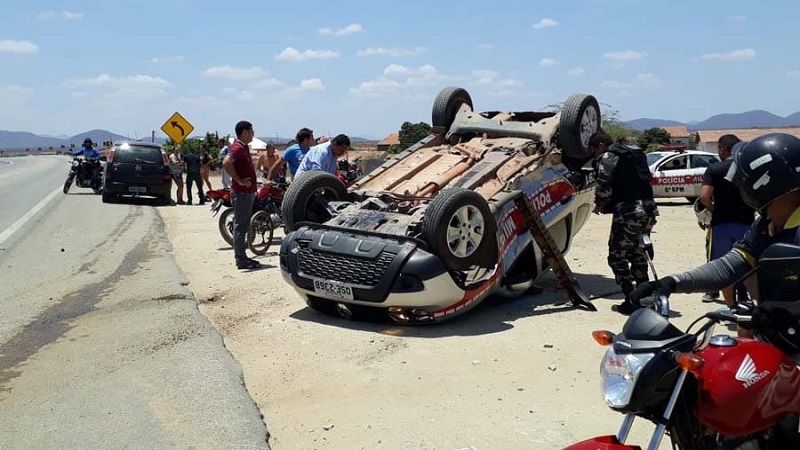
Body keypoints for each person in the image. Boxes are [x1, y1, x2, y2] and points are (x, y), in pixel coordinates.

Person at [631, 133, 800, 313]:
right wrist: (672, 283)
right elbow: (728, 268)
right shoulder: (765, 226)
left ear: (763, 183)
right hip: (777, 334)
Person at [590, 129, 660, 315]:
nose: (596, 155)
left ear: (600, 145)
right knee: (638, 254)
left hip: (629, 212)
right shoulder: (635, 152)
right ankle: (645, 299)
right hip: (648, 209)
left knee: (616, 257)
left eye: (595, 151)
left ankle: (631, 299)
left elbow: (603, 186)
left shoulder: (609, 156)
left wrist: (599, 203)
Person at [698, 134, 754, 305]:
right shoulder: (747, 168)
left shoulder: (715, 169)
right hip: (746, 224)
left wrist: (713, 208)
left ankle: (731, 307)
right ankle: (747, 303)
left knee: (723, 267)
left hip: (721, 225)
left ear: (722, 149)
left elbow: (704, 196)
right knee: (747, 264)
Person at [222, 121, 261, 270]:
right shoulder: (237, 147)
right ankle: (241, 259)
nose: (253, 134)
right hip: (242, 193)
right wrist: (239, 180)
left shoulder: (243, 148)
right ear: (244, 132)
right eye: (251, 131)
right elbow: (226, 162)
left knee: (243, 226)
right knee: (240, 227)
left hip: (246, 193)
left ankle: (243, 257)